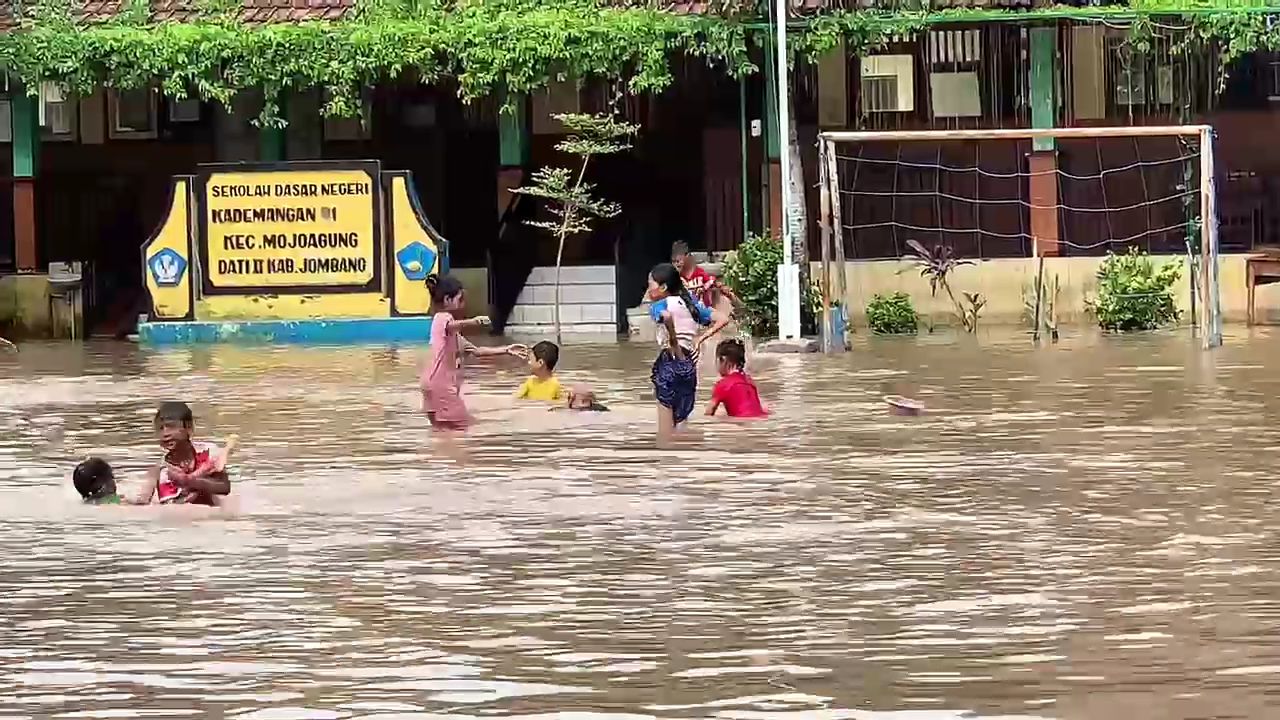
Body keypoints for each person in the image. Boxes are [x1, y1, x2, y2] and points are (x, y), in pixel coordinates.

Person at [421, 273, 524, 429]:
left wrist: (506, 349)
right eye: (460, 299)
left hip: (431, 385)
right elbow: (450, 325)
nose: (464, 305)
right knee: (465, 427)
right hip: (440, 385)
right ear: (448, 300)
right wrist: (474, 322)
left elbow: (477, 351)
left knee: (443, 429)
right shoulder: (442, 317)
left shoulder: (452, 337)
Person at [647, 262, 729, 435]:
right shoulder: (690, 303)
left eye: (650, 285)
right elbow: (723, 319)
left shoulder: (659, 305)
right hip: (689, 365)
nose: (648, 290)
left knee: (665, 429)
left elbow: (667, 317)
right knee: (681, 424)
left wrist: (674, 342)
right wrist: (699, 340)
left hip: (669, 362)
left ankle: (667, 458)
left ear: (663, 287)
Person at [137, 401, 232, 506]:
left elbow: (225, 487)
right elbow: (142, 503)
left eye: (171, 426)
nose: (165, 434)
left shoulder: (209, 452)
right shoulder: (159, 471)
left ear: (189, 428)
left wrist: (191, 482)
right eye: (160, 428)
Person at [706, 339, 768, 418]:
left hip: (742, 425)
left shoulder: (722, 385)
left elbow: (708, 413)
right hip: (759, 421)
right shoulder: (749, 381)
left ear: (723, 360)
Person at [672, 241, 738, 310]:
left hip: (702, 310)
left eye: (678, 261)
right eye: (674, 262)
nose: (676, 264)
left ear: (687, 257)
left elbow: (713, 283)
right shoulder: (673, 278)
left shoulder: (699, 274)